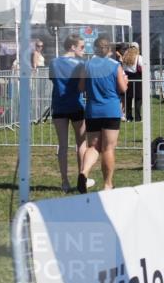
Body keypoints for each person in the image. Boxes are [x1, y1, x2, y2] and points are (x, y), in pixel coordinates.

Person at [78, 37, 128, 192]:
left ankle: (84, 172)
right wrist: (125, 82)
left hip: (93, 110)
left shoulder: (87, 65)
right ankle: (107, 184)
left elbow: (80, 88)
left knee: (93, 146)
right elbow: (122, 89)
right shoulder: (115, 66)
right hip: (111, 110)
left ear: (94, 49)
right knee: (108, 148)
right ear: (109, 50)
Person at [49, 34, 88, 193]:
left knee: (63, 145)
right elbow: (82, 87)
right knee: (81, 143)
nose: (84, 51)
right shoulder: (81, 64)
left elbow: (52, 79)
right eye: (82, 47)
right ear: (72, 47)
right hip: (76, 105)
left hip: (59, 105)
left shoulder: (53, 62)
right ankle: (82, 177)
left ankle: (64, 181)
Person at [121, 42, 143, 122]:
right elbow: (142, 69)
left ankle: (129, 117)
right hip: (137, 80)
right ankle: (137, 118)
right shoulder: (139, 57)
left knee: (128, 99)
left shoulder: (125, 57)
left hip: (128, 80)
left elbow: (123, 69)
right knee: (138, 99)